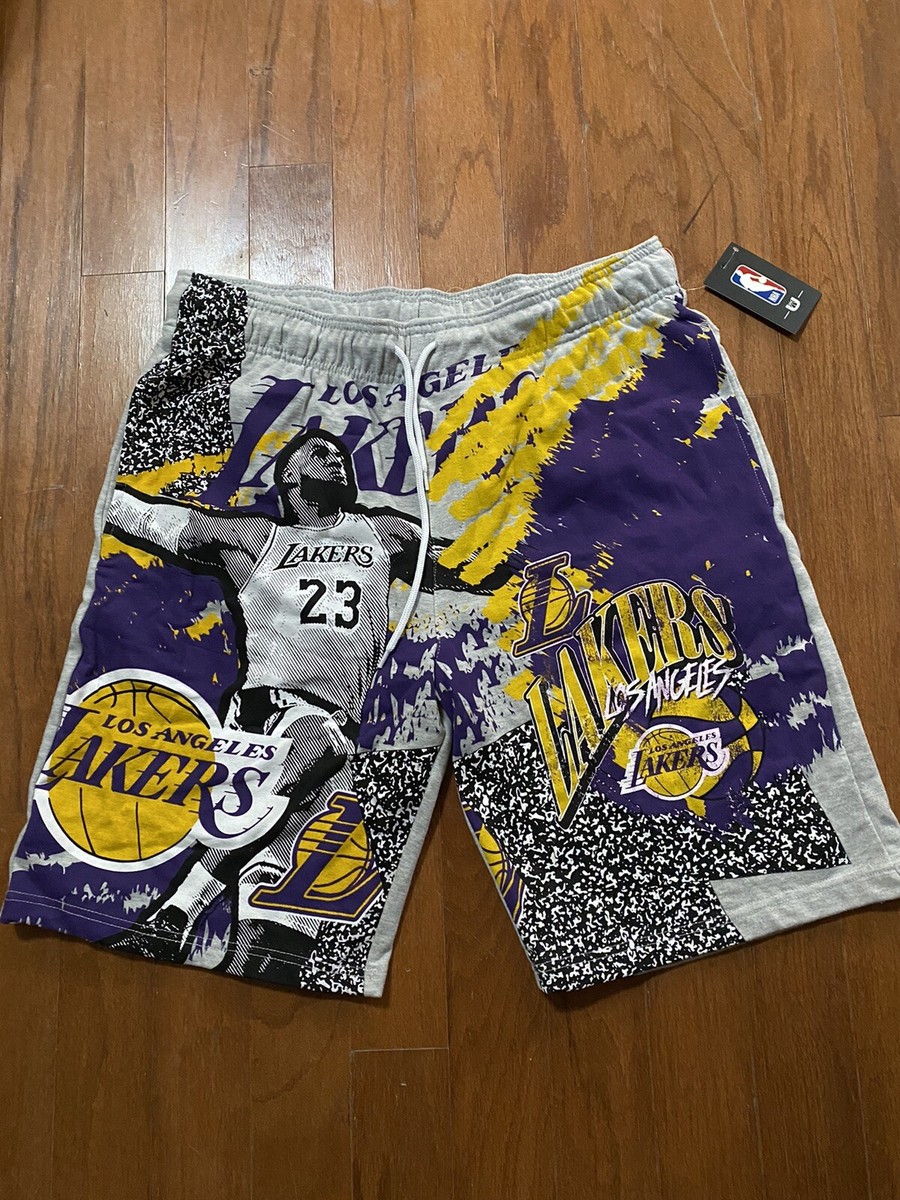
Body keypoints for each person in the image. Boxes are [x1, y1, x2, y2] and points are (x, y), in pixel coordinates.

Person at [101, 428, 425, 977]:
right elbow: (153, 520)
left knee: (286, 893)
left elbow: (466, 562)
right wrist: (97, 486)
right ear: (290, 479)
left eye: (338, 454)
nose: (333, 455)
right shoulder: (255, 536)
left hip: (340, 731)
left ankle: (237, 966)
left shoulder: (386, 532)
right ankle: (178, 908)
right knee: (311, 743)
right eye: (317, 453)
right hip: (272, 711)